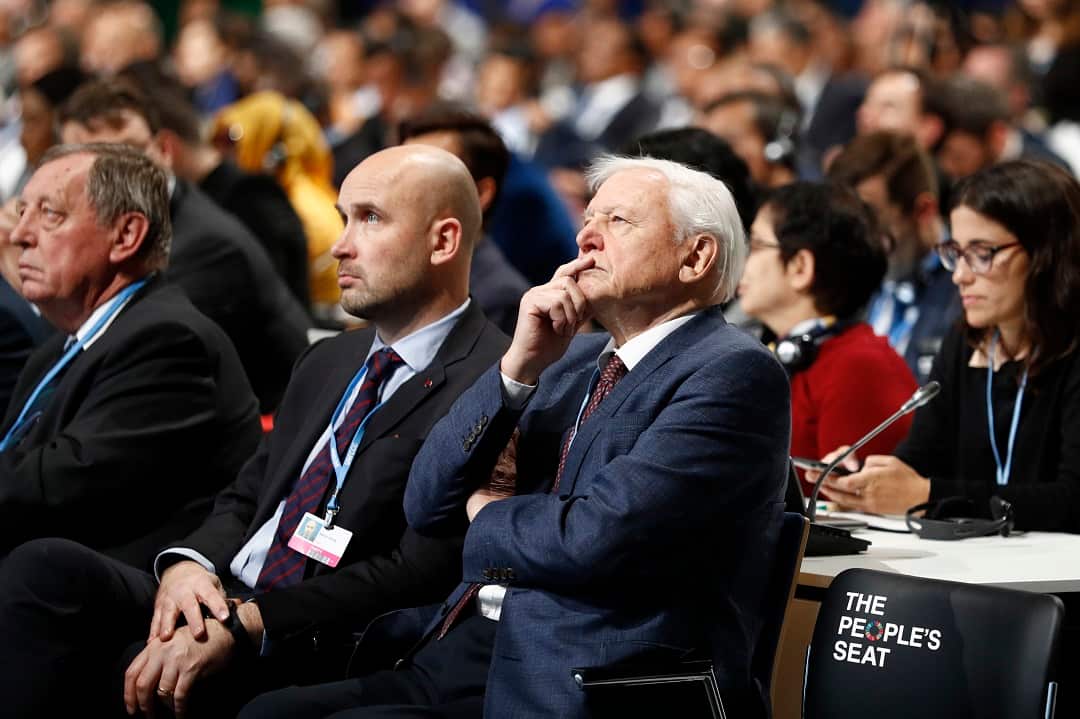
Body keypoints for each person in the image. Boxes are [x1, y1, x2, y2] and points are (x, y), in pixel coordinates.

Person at [240, 156, 792, 718]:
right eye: (589, 218)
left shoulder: (732, 372)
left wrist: (484, 513)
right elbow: (428, 504)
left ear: (696, 256)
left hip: (593, 679)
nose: (585, 236)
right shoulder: (564, 356)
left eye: (618, 221)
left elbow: (593, 537)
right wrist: (515, 371)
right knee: (267, 712)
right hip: (461, 648)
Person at [0, 144, 510, 719]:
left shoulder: (492, 380)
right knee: (46, 568)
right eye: (343, 218)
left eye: (370, 218)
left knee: (131, 669)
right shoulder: (329, 360)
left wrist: (250, 622)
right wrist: (187, 565)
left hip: (315, 629)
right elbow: (246, 497)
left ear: (442, 241)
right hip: (223, 591)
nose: (340, 244)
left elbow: (416, 570)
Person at [0, 143, 261, 561]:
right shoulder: (57, 349)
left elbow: (63, 486)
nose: (19, 235)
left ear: (125, 236)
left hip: (114, 596)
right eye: (22, 211)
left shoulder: (168, 341)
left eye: (49, 214)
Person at [814, 160, 1080, 532]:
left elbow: (1072, 500)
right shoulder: (965, 340)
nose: (960, 275)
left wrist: (927, 495)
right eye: (956, 252)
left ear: (1046, 253)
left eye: (982, 253)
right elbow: (922, 458)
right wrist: (867, 480)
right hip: (978, 571)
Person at [58, 78, 311, 412]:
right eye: (93, 165)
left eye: (129, 154)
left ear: (164, 150)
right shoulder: (132, 228)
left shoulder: (209, 248)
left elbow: (131, 361)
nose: (115, 178)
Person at [738, 182, 916, 494]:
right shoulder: (782, 354)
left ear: (800, 267)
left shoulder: (858, 366)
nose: (743, 263)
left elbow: (847, 506)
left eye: (755, 246)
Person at [828, 131, 961, 382]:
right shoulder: (849, 283)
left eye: (872, 220)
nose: (860, 239)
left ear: (923, 210)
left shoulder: (968, 288)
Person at [398, 104, 530, 336]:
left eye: (426, 174)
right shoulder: (392, 273)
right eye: (400, 171)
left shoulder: (501, 299)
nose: (403, 188)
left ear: (480, 193)